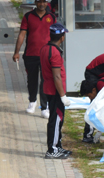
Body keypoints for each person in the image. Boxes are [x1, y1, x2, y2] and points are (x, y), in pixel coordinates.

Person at [13, 0, 54, 118]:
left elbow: (55, 35)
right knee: (32, 80)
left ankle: (44, 107)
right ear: (35, 2)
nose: (42, 4)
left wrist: (55, 51)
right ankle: (32, 101)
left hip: (46, 54)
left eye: (44, 1)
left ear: (47, 3)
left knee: (45, 81)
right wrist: (16, 52)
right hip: (31, 54)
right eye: (39, 1)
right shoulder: (28, 16)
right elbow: (22, 34)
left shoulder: (52, 17)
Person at [40, 23, 72, 159]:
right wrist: (63, 95)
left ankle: (57, 146)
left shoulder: (45, 48)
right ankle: (52, 150)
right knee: (56, 120)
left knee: (57, 119)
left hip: (49, 89)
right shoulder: (55, 52)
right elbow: (57, 76)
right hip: (55, 91)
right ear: (62, 37)